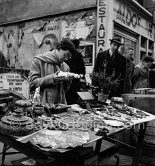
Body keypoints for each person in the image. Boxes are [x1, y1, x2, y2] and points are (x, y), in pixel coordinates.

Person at [29, 38, 76, 105]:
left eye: (69, 57)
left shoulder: (66, 67)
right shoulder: (39, 61)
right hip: (42, 105)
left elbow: (65, 90)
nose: (66, 59)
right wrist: (52, 78)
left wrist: (68, 81)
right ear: (59, 48)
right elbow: (32, 83)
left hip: (60, 105)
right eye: (65, 55)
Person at [65, 39, 86, 104]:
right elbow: (82, 71)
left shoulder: (66, 54)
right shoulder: (79, 55)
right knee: (73, 102)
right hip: (74, 83)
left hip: (64, 82)